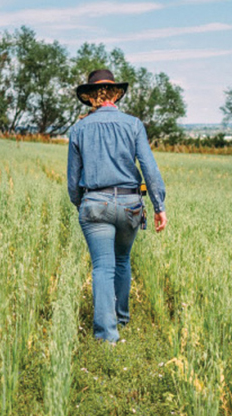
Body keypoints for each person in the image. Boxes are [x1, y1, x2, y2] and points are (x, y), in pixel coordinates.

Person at [67, 69, 167, 344]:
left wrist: (82, 204)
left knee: (102, 266)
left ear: (90, 98)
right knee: (122, 260)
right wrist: (159, 206)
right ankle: (121, 316)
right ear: (115, 95)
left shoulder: (78, 129)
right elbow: (149, 167)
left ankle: (107, 335)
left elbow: (73, 180)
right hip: (130, 203)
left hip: (95, 203)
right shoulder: (133, 124)